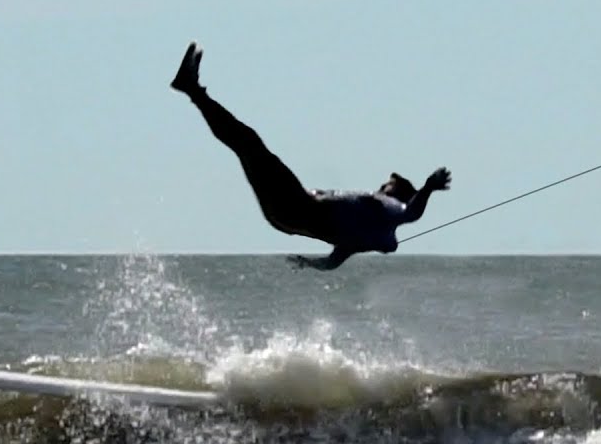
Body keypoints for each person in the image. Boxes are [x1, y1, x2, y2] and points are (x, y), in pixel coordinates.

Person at [170, 41, 451, 271]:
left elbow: (413, 212)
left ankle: (193, 90)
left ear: (398, 194)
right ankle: (193, 91)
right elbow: (331, 263)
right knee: (246, 147)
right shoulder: (368, 230)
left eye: (388, 185)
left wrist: (429, 186)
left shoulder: (387, 210)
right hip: (282, 219)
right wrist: (309, 263)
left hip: (296, 205)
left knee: (248, 144)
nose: (382, 186)